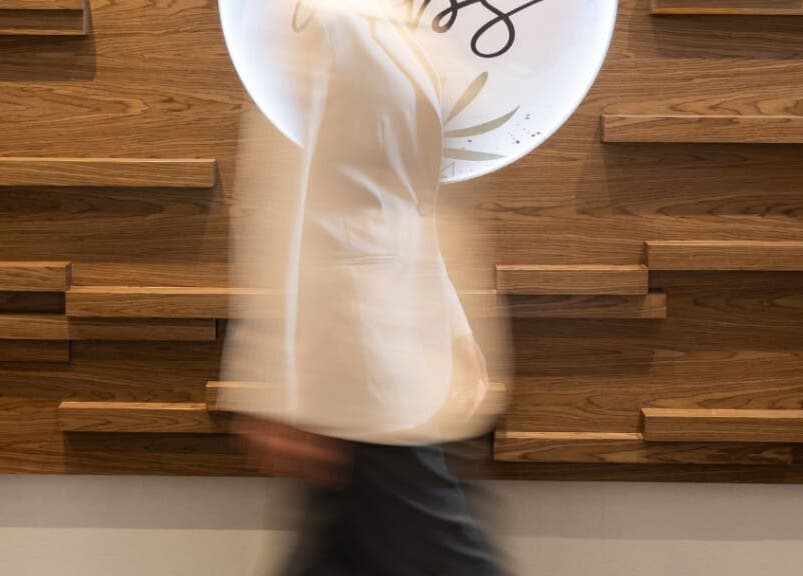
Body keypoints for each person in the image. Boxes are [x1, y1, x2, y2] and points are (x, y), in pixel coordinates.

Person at [219, 0, 510, 573]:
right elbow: (287, 205)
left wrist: (455, 328)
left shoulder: (416, 31)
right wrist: (278, 386)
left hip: (402, 351)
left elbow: (412, 203)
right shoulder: (329, 24)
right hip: (358, 356)